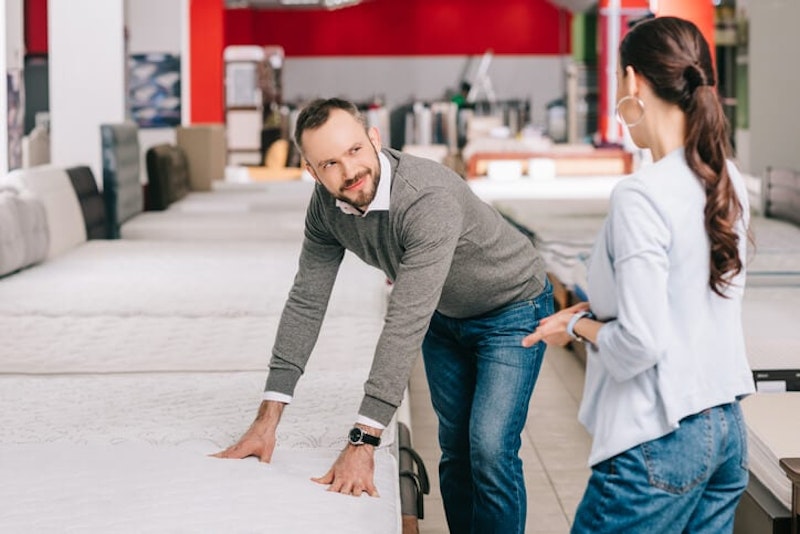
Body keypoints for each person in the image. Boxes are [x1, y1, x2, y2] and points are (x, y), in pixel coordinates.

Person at [215, 97, 553, 534]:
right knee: (454, 447)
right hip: (444, 317)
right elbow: (307, 300)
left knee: (488, 447)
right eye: (330, 163)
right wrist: (266, 420)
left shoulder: (426, 197)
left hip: (511, 308)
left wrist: (363, 441)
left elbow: (405, 319)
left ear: (374, 138)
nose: (349, 172)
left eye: (355, 150)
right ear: (311, 171)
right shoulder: (324, 208)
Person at [523, 16, 755, 533]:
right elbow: (690, 299)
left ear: (632, 82)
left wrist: (575, 327)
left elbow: (640, 344)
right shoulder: (728, 180)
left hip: (659, 430)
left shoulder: (641, 194)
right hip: (725, 428)